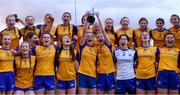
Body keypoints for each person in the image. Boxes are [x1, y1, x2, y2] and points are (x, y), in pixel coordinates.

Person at [77, 12, 97, 94]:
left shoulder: (96, 49)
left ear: (93, 38)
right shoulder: (82, 46)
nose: (89, 37)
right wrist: (87, 19)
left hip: (92, 74)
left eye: (91, 36)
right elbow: (84, 31)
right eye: (87, 36)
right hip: (82, 74)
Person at [96, 12, 116, 94]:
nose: (101, 37)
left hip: (110, 72)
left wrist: (98, 17)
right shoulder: (96, 48)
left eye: (102, 36)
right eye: (98, 37)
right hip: (100, 74)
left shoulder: (109, 45)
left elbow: (103, 31)